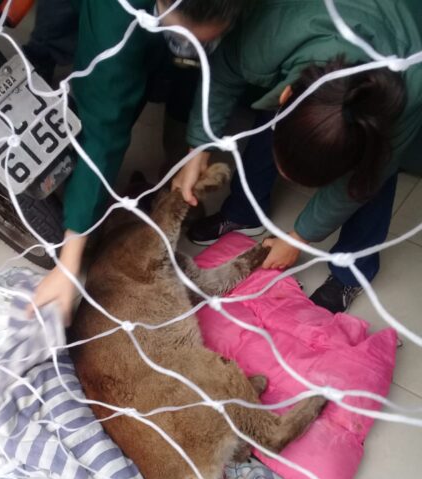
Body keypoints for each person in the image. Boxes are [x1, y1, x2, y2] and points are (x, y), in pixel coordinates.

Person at [173, 0, 422, 313]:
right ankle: (245, 211)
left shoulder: (407, 91)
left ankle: (353, 269)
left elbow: (359, 183)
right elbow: (223, 75)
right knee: (288, 123)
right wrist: (198, 146)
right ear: (286, 94)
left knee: (374, 173)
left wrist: (299, 237)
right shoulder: (266, 35)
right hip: (308, 36)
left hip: (401, 38)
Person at [30, 0, 248, 323]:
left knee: (187, 76)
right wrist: (69, 261)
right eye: (180, 37)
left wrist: (198, 148)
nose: (189, 51)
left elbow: (224, 72)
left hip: (180, 38)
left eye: (206, 41)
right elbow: (104, 125)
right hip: (113, 29)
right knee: (96, 97)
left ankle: (172, 181)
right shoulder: (115, 18)